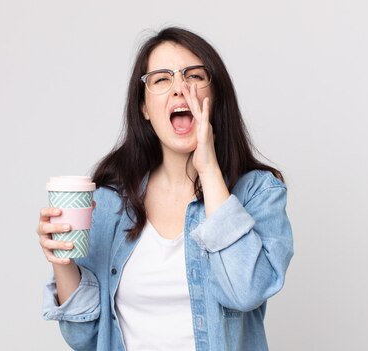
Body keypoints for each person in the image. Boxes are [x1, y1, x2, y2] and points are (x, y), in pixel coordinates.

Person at [37, 27, 294, 351]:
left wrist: (209, 170)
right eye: (161, 79)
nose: (180, 88)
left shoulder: (258, 193)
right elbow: (84, 338)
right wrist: (62, 260)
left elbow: (245, 292)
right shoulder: (109, 202)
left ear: (215, 97)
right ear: (144, 107)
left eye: (194, 76)